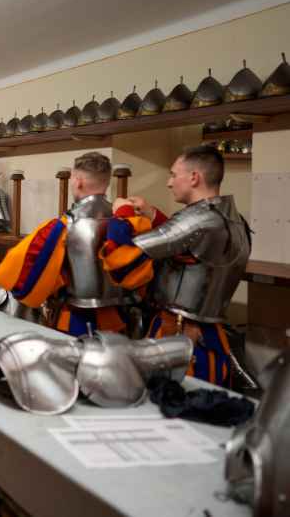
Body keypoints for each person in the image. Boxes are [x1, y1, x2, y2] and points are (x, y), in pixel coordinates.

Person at [102, 145, 250, 386]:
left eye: (173, 174)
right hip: (207, 331)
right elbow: (187, 247)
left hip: (180, 337)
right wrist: (153, 215)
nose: (169, 183)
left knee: (171, 411)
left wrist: (122, 213)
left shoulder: (198, 220)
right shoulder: (233, 218)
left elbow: (123, 258)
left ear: (194, 177)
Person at [0, 152, 140, 335]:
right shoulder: (127, 220)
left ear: (77, 181)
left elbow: (23, 273)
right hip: (117, 318)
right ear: (107, 182)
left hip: (76, 318)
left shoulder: (64, 225)